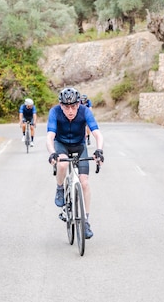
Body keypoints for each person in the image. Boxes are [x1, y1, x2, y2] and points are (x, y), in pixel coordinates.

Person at [46, 87, 104, 239]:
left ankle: (85, 221)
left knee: (84, 183)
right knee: (63, 164)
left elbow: (97, 133)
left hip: (79, 145)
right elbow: (50, 136)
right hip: (61, 144)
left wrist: (99, 150)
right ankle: (60, 189)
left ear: (78, 104)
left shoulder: (85, 111)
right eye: (66, 107)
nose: (70, 110)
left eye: (73, 107)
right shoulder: (55, 112)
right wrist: (52, 152)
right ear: (61, 105)